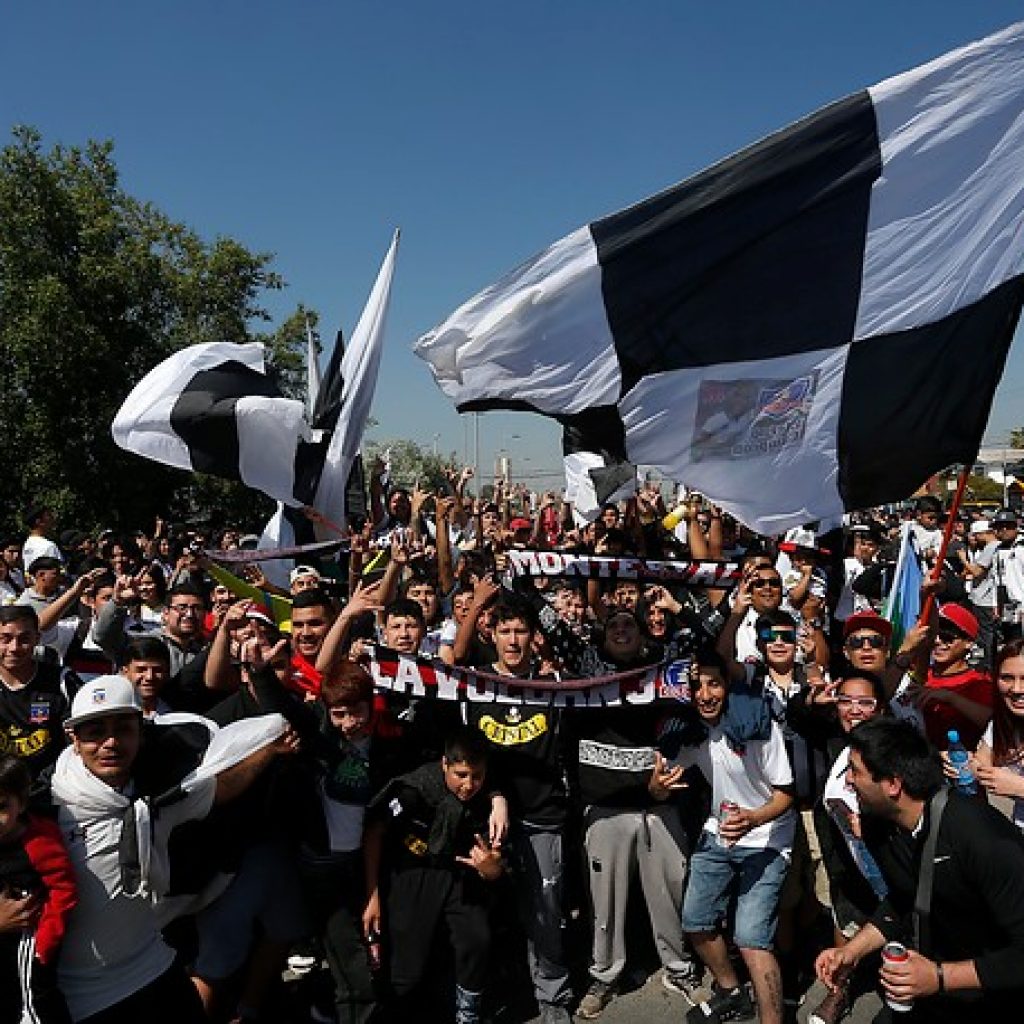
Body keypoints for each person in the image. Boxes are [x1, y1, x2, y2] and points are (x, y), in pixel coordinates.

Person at [52, 674, 296, 1022]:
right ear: (73, 740)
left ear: (141, 730)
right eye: (94, 732)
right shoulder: (48, 808)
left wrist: (270, 750)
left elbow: (217, 787)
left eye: (123, 728)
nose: (110, 743)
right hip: (85, 995)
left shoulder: (154, 798)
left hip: (153, 966)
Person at [815, 716, 1024, 1022]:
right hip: (932, 993)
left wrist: (939, 977)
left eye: (855, 772)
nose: (847, 781)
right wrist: (852, 952)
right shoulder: (880, 826)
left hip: (993, 999)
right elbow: (903, 900)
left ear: (893, 784)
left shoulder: (982, 839)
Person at [666, 649, 795, 1024]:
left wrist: (752, 819)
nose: (705, 694)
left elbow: (786, 794)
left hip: (768, 836)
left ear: (728, 686)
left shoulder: (757, 724)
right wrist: (658, 787)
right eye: (696, 687)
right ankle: (731, 991)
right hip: (718, 832)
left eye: (713, 684)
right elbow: (662, 783)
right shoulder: (691, 732)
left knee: (752, 939)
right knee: (696, 920)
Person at [362, 728, 505, 1024]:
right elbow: (375, 832)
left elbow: (497, 862)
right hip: (413, 873)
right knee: (408, 970)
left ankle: (468, 1013)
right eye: (461, 775)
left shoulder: (490, 801)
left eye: (477, 776)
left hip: (460, 873)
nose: (468, 785)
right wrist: (372, 894)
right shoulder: (414, 791)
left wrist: (490, 869)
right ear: (445, 765)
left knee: (477, 939)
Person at [0, 754, 78, 1024]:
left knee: (32, 994)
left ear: (21, 803)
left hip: (27, 936)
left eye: (1, 807)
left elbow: (63, 890)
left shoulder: (37, 842)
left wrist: (46, 941)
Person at [973, 638, 1024, 830]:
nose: (1016, 689)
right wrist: (966, 764)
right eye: (1007, 678)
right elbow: (982, 762)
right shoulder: (1002, 724)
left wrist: (1019, 787)